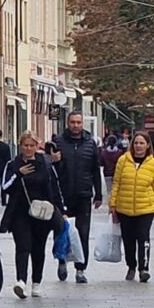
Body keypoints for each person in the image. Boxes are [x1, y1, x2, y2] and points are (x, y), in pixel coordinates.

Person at [0, 133, 66, 299]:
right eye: (25, 145)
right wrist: (18, 174)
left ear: (37, 147)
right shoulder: (13, 164)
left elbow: (55, 186)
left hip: (42, 213)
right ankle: (21, 281)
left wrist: (60, 209)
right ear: (20, 146)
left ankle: (36, 283)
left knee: (38, 248)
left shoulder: (45, 163)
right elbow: (5, 187)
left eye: (32, 146)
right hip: (19, 212)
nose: (28, 149)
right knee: (23, 246)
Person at [109, 132, 154, 283]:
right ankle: (131, 265)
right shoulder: (123, 160)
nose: (138, 146)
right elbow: (116, 183)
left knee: (143, 237)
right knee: (128, 239)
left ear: (148, 145)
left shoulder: (153, 163)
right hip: (124, 207)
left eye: (141, 143)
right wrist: (113, 205)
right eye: (136, 143)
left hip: (146, 207)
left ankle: (144, 268)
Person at [53, 111, 103, 284]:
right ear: (68, 123)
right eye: (73, 122)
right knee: (62, 231)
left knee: (83, 233)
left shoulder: (90, 143)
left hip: (83, 195)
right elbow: (50, 169)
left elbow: (96, 170)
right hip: (62, 195)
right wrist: (53, 160)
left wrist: (99, 194)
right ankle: (62, 261)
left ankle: (81, 269)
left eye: (78, 122)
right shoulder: (58, 142)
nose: (75, 125)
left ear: (83, 124)